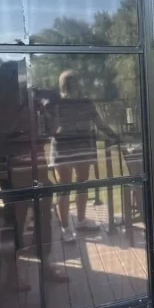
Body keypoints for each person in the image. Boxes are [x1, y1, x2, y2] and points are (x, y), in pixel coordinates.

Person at [0, 61, 67, 280]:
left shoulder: (32, 101)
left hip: (37, 165)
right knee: (17, 217)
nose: (26, 80)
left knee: (44, 216)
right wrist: (26, 107)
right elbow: (4, 131)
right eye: (21, 76)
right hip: (13, 166)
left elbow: (48, 131)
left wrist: (52, 111)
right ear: (10, 78)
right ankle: (13, 271)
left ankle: (46, 264)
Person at [51, 69, 119, 241]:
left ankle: (74, 224)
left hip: (72, 147)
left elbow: (99, 123)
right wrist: (113, 135)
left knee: (71, 186)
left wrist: (113, 135)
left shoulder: (68, 103)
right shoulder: (65, 103)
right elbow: (100, 124)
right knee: (72, 186)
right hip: (72, 147)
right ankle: (70, 225)